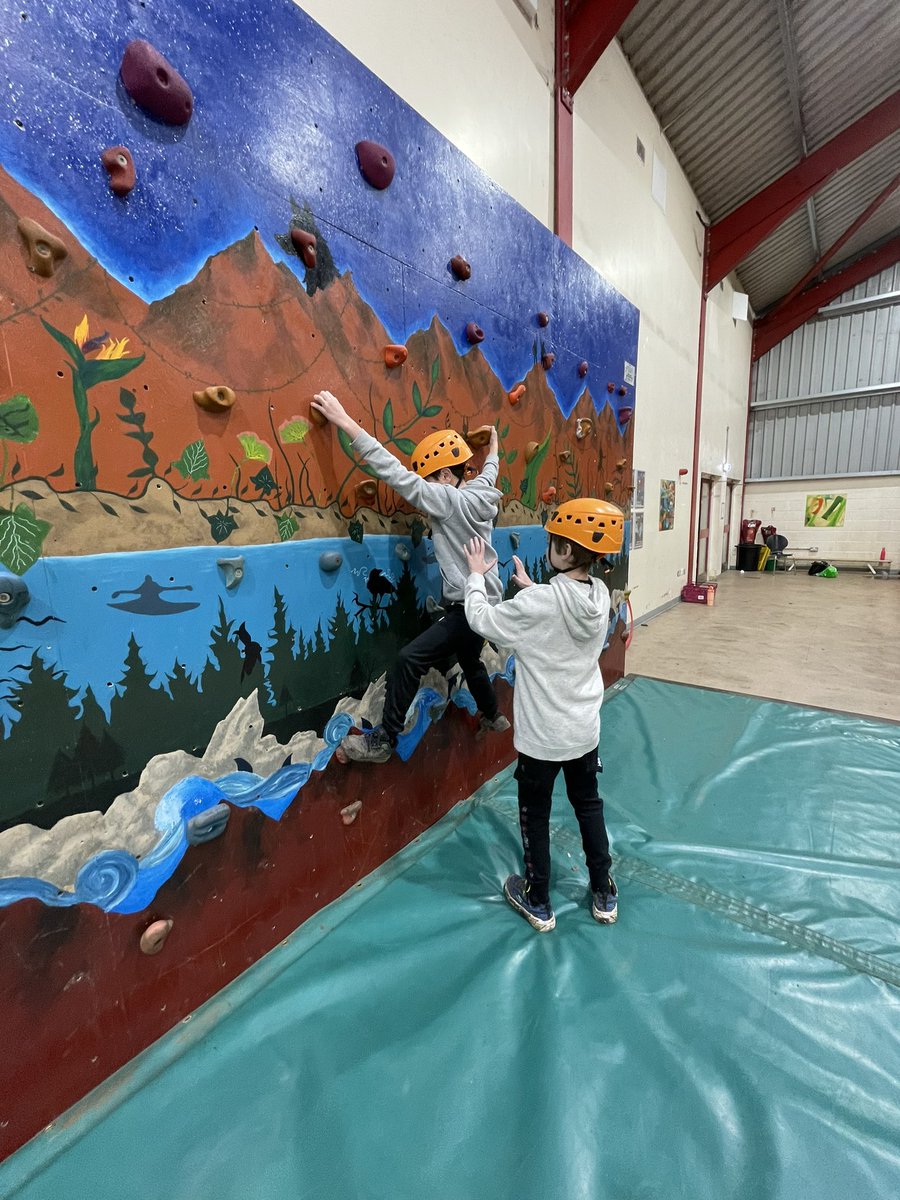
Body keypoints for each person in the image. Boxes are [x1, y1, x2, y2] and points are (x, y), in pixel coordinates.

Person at [311, 389, 509, 762]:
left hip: (468, 606)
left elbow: (394, 473)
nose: (426, 491)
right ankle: (494, 715)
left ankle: (384, 739)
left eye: (432, 480)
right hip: (489, 605)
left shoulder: (447, 499)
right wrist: (493, 446)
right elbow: (490, 469)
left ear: (447, 476)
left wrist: (343, 420)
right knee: (470, 660)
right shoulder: (483, 490)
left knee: (408, 659)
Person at [462, 498, 625, 932]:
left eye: (556, 540)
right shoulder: (600, 594)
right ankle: (603, 891)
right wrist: (534, 589)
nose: (551, 545)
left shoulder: (542, 605)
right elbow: (560, 610)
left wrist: (477, 576)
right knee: (588, 806)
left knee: (535, 814)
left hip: (542, 739)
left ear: (567, 552)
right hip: (583, 731)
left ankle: (538, 899)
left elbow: (481, 618)